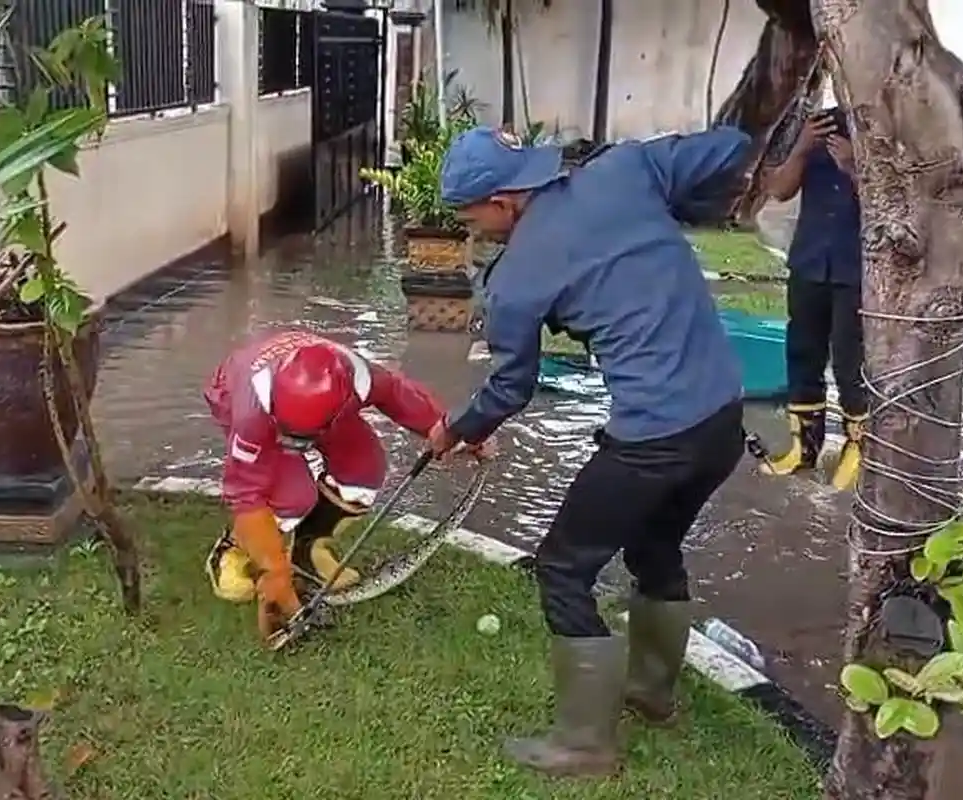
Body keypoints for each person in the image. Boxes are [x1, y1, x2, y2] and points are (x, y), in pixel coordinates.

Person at [426, 125, 751, 777]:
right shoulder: (625, 169)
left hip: (653, 436)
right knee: (654, 548)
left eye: (472, 217)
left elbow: (511, 386)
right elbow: (734, 145)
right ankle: (652, 694)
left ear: (505, 200)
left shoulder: (515, 278)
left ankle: (584, 746)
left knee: (564, 569)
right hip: (722, 419)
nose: (473, 231)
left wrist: (457, 428)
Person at [202, 328, 449, 646]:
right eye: (292, 437)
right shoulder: (252, 411)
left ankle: (308, 552)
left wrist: (449, 429)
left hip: (324, 411)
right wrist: (274, 574)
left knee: (363, 469)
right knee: (290, 498)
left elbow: (400, 396)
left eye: (302, 440)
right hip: (245, 400)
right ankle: (232, 550)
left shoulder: (359, 376)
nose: (296, 446)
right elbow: (246, 493)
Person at [760, 102, 866, 491]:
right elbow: (779, 189)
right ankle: (804, 449)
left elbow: (892, 206)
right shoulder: (817, 126)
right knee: (803, 356)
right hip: (809, 264)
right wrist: (804, 147)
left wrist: (855, 167)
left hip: (856, 273)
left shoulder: (883, 129)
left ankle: (858, 449)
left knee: (851, 363)